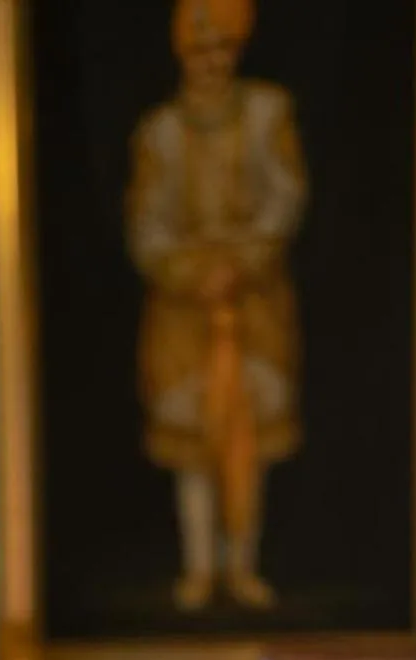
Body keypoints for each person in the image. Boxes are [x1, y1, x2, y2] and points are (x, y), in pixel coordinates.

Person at [126, 0, 307, 612]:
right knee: (194, 440)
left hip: (251, 297)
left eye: (222, 50)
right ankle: (199, 568)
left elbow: (286, 192)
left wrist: (245, 260)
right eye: (201, 51)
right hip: (185, 304)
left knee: (246, 434)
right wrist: (189, 271)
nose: (212, 63)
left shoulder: (266, 113)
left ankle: (242, 566)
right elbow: (146, 221)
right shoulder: (160, 131)